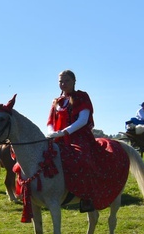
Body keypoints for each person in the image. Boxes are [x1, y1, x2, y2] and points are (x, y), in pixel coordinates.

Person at [45, 69, 128, 212]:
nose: (63, 84)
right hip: (57, 138)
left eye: (67, 81)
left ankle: (87, 198)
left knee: (82, 160)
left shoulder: (82, 97)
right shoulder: (56, 101)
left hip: (79, 137)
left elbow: (83, 120)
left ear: (74, 82)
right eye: (61, 81)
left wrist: (65, 132)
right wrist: (52, 133)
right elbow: (50, 122)